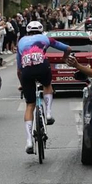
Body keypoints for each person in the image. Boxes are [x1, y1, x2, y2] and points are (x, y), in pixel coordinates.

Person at [15, 20, 69, 155]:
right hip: (42, 67)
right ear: (41, 30)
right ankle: (49, 113)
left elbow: (18, 69)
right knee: (47, 85)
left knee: (30, 105)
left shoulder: (21, 41)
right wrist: (65, 58)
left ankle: (28, 141)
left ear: (27, 31)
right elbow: (67, 48)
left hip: (26, 71)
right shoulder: (46, 38)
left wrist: (22, 84)